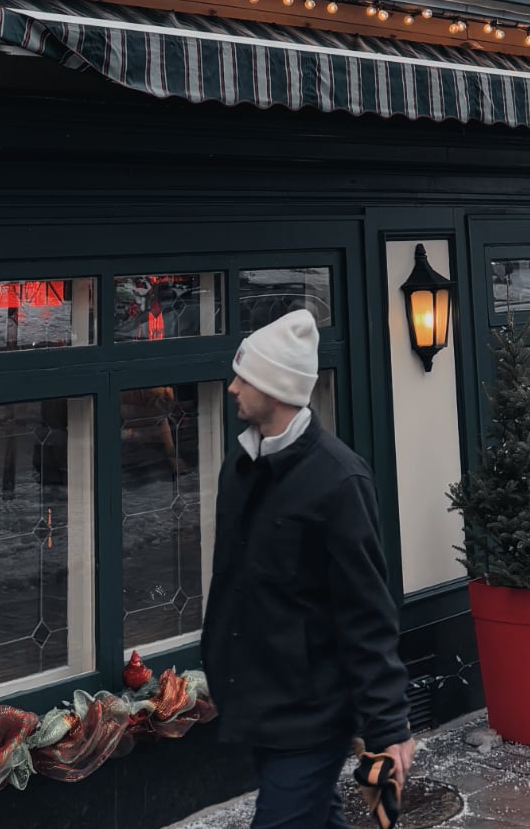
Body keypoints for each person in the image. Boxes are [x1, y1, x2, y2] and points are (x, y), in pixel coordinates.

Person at [202, 309, 414, 828]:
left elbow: (367, 609)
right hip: (258, 699)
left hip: (312, 711)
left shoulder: (339, 481)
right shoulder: (239, 467)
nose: (232, 388)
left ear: (276, 388)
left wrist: (388, 724)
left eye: (244, 378)